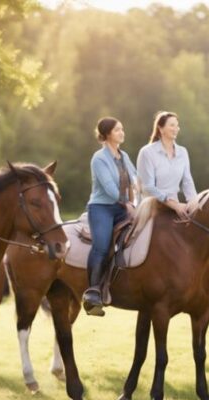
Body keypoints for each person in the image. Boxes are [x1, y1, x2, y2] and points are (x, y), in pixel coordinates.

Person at [82, 117, 138, 316]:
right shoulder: (99, 158)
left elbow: (135, 181)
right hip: (102, 208)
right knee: (102, 245)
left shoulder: (125, 157)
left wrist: (137, 202)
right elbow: (110, 189)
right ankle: (93, 292)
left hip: (126, 206)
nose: (122, 133)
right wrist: (129, 205)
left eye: (122, 129)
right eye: (117, 130)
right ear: (106, 134)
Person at [136, 111, 197, 219]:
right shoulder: (147, 152)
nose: (176, 129)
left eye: (177, 126)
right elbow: (148, 187)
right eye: (172, 125)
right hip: (151, 209)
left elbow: (187, 182)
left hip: (175, 207)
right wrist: (174, 205)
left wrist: (194, 203)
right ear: (161, 128)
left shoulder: (183, 152)